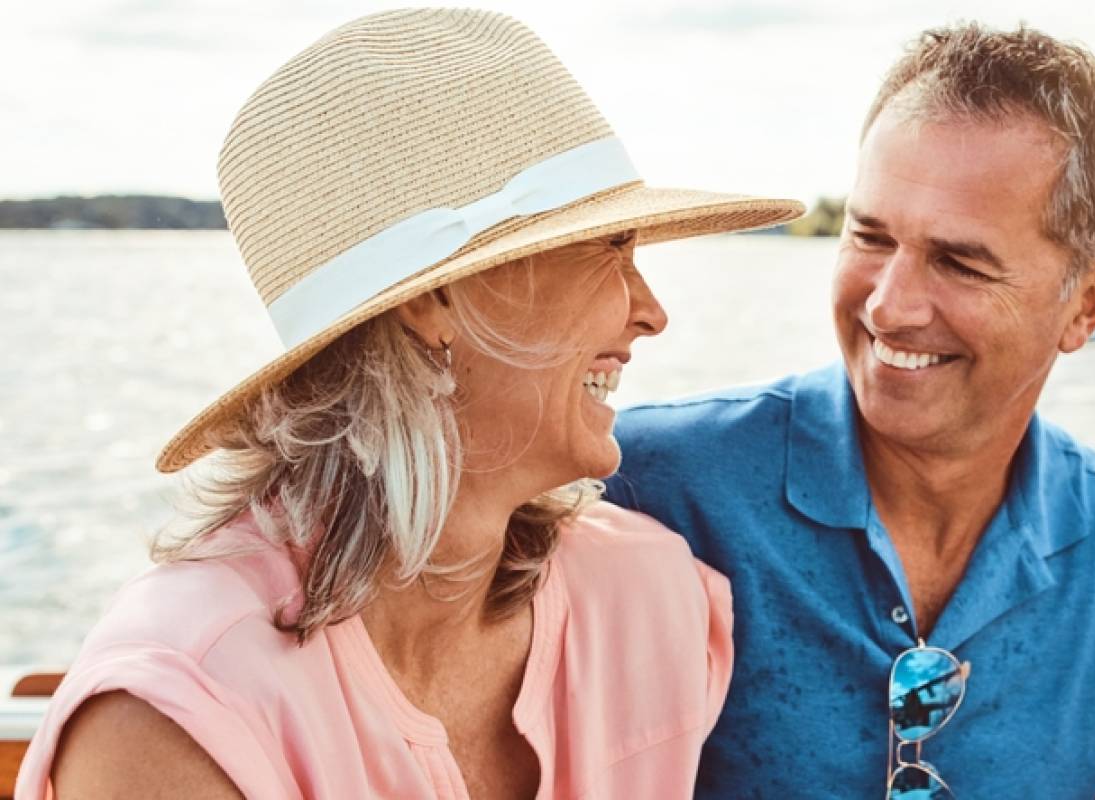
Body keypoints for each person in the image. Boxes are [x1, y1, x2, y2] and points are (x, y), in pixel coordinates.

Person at [14, 8, 800, 799]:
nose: (650, 310)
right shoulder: (179, 708)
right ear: (435, 302)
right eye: (610, 247)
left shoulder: (650, 599)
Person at [606, 21, 1095, 800]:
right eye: (869, 237)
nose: (890, 307)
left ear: (1089, 304)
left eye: (960, 262)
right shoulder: (647, 485)